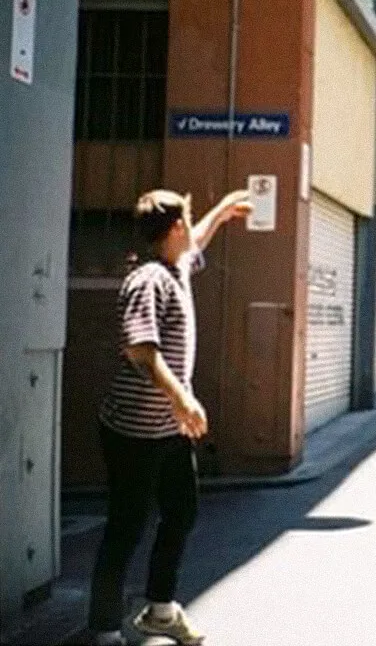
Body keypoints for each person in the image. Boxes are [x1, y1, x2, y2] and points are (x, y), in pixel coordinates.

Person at [89, 188, 252, 646]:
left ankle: (161, 611)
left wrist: (221, 212)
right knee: (127, 525)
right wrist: (182, 398)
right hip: (134, 429)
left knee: (180, 512)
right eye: (190, 219)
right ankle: (103, 630)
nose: (193, 227)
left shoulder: (176, 267)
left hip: (169, 429)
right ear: (174, 227)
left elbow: (197, 241)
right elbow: (140, 349)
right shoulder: (148, 280)